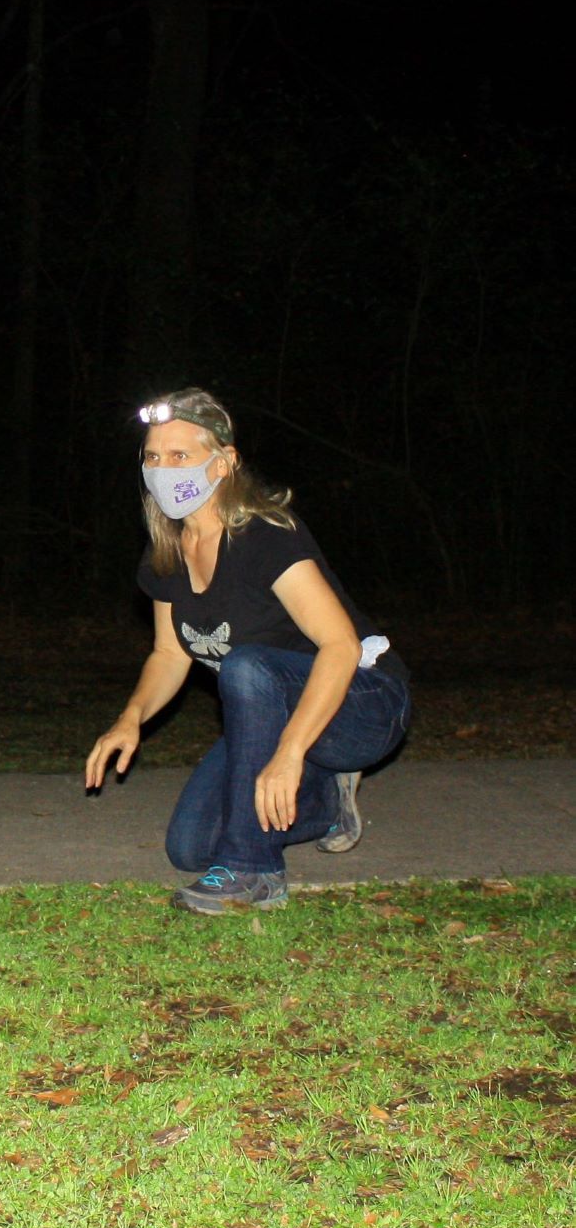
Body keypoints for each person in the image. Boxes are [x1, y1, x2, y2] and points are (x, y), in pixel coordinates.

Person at [83, 388, 410, 914]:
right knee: (190, 846)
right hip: (276, 715)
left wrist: (289, 752)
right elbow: (170, 654)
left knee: (247, 664)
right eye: (152, 457)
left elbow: (340, 645)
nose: (162, 469)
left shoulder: (264, 536)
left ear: (224, 463)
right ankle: (327, 803)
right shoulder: (165, 553)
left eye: (180, 456)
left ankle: (255, 874)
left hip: (364, 703)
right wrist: (131, 719)